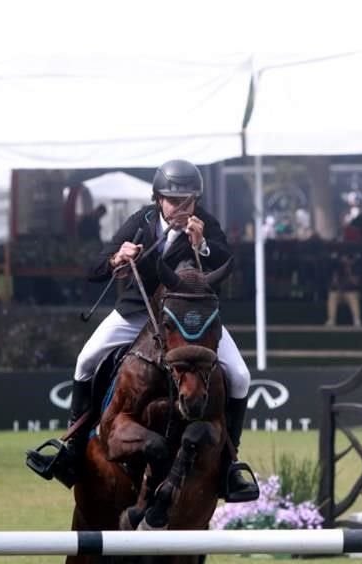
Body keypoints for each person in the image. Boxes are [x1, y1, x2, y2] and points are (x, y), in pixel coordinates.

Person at [27, 159, 259, 503]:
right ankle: (72, 446)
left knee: (240, 376)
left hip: (188, 322)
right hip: (137, 314)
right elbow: (94, 268)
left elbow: (228, 264)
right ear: (157, 199)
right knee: (86, 359)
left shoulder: (205, 224)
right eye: (173, 200)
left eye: (189, 200)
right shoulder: (142, 222)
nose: (182, 208)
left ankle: (229, 463)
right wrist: (116, 258)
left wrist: (203, 246)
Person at [325, 253, 362, 326]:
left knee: (352, 296)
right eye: (343, 261)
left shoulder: (355, 268)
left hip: (352, 292)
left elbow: (356, 283)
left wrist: (349, 272)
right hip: (340, 292)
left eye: (347, 260)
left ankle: (356, 319)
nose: (345, 262)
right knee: (332, 295)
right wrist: (335, 282)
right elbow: (333, 285)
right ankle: (331, 319)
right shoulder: (337, 268)